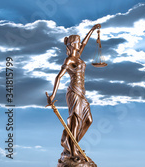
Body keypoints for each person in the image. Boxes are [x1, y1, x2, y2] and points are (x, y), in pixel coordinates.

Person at [47, 24, 101, 162]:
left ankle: (71, 145)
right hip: (73, 92)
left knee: (88, 120)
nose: (79, 43)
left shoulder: (78, 55)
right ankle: (72, 152)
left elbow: (85, 42)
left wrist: (93, 29)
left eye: (79, 42)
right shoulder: (69, 59)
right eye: (77, 42)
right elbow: (58, 77)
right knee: (75, 122)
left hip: (82, 93)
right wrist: (53, 96)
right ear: (71, 44)